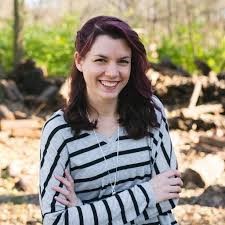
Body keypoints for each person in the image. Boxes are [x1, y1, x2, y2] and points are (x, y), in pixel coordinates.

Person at [39, 16, 183, 225]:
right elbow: (55, 220)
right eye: (101, 60)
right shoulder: (59, 131)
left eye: (123, 61)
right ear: (80, 61)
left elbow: (168, 199)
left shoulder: (151, 111)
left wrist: (82, 211)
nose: (113, 72)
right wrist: (148, 192)